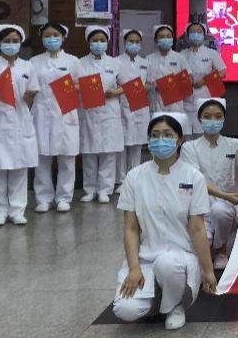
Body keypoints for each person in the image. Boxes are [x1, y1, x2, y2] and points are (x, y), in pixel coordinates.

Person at [112, 112, 216, 330]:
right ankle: (158, 299)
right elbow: (131, 228)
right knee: (126, 311)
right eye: (155, 135)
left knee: (168, 263)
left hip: (179, 258)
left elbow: (197, 228)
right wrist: (134, 268)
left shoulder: (193, 177)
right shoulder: (135, 176)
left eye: (168, 135)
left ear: (179, 140)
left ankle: (175, 305)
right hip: (146, 257)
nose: (161, 140)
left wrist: (208, 271)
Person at [180, 99, 238, 270]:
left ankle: (221, 250)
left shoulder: (235, 145)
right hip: (198, 205)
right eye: (207, 116)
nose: (213, 121)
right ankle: (212, 246)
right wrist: (225, 196)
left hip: (227, 206)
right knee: (200, 247)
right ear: (199, 119)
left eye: (218, 116)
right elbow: (197, 181)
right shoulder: (189, 148)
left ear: (224, 119)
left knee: (220, 211)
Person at [0, 24, 39, 226]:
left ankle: (17, 210)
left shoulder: (28, 67)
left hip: (22, 123)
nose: (11, 44)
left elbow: (31, 96)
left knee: (20, 170)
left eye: (15, 41)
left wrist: (29, 96)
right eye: (7, 41)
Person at [30, 22, 80, 213]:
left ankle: (64, 198)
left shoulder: (73, 61)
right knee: (42, 158)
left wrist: (68, 87)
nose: (52, 39)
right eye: (47, 36)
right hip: (41, 113)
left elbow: (81, 85)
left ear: (63, 37)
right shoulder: (34, 62)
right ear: (42, 38)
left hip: (66, 113)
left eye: (55, 35)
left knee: (67, 158)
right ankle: (43, 198)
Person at [79, 26, 126, 204]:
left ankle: (105, 190)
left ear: (107, 42)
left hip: (109, 112)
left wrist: (115, 92)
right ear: (88, 42)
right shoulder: (79, 63)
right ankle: (90, 189)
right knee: (89, 153)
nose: (98, 43)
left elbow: (125, 85)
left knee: (108, 153)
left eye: (102, 40)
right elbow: (73, 85)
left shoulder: (115, 63)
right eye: (95, 40)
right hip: (88, 113)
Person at [117, 29, 151, 185]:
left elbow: (150, 83)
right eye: (131, 41)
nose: (134, 44)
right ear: (125, 42)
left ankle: (134, 180)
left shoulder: (145, 63)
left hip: (139, 106)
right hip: (122, 106)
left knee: (137, 146)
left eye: (137, 42)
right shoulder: (116, 61)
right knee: (122, 146)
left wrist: (144, 87)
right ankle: (121, 180)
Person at [182, 22, 228, 136]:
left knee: (203, 133)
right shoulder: (182, 54)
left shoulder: (211, 53)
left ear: (204, 35)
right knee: (186, 135)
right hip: (185, 100)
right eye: (192, 32)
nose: (196, 34)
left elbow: (223, 72)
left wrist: (204, 81)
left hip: (205, 97)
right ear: (187, 35)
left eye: (199, 32)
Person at [147, 25, 189, 112]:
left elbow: (189, 79)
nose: (165, 39)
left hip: (175, 106)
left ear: (172, 39)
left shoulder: (180, 58)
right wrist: (155, 86)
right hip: (156, 104)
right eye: (162, 37)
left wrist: (166, 85)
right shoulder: (148, 59)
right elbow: (145, 82)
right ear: (155, 40)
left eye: (168, 36)